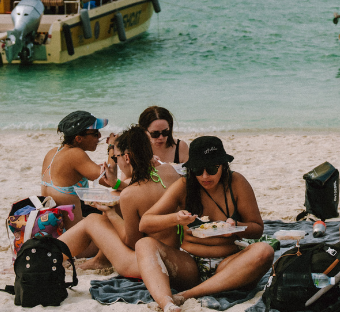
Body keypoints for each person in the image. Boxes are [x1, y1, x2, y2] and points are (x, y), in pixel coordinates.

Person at [135, 136, 274, 312]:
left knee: (265, 251)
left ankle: (185, 296)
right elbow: (145, 223)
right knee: (143, 244)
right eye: (198, 169)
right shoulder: (184, 185)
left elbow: (257, 229)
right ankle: (166, 303)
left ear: (223, 165)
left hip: (228, 265)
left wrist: (235, 226)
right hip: (189, 265)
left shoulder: (236, 183)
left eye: (211, 168)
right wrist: (176, 218)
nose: (205, 176)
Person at [60, 125, 178, 274]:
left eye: (116, 157)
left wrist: (111, 214)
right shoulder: (169, 171)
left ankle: (48, 254)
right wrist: (115, 183)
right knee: (114, 199)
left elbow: (132, 241)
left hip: (144, 263)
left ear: (127, 157)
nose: (118, 162)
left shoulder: (130, 194)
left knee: (92, 220)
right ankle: (99, 259)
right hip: (173, 257)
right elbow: (143, 184)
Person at [40, 110, 107, 229]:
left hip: (56, 229)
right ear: (79, 139)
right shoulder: (76, 154)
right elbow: (109, 181)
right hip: (73, 236)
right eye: (95, 133)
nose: (100, 136)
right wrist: (113, 148)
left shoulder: (53, 152)